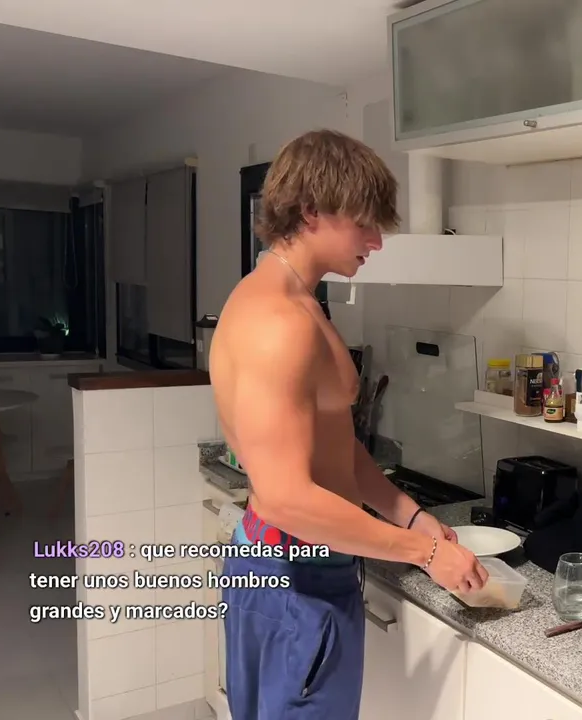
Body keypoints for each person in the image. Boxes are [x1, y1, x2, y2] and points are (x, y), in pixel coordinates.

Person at [209, 128, 488, 719]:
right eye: (365, 223)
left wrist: (410, 514)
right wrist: (424, 554)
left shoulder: (294, 301)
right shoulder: (279, 321)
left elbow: (336, 446)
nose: (376, 241)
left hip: (289, 569)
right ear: (312, 211)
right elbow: (286, 499)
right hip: (295, 575)